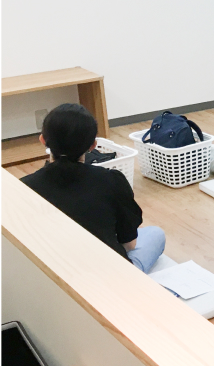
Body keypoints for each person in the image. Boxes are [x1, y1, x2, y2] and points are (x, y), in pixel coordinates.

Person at [21, 104, 166, 273]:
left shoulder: (23, 186)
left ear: (42, 140)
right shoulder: (112, 180)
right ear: (93, 145)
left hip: (51, 272)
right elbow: (130, 244)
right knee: (155, 234)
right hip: (106, 274)